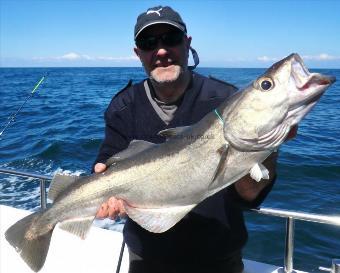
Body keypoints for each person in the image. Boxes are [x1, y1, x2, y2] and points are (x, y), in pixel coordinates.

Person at [93, 6, 294, 273]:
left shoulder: (226, 99)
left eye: (171, 39)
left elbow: (249, 195)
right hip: (146, 259)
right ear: (137, 53)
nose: (161, 50)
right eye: (148, 42)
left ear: (187, 44)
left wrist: (269, 146)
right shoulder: (122, 107)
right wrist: (106, 195)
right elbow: (106, 165)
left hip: (219, 260)